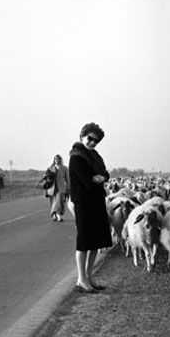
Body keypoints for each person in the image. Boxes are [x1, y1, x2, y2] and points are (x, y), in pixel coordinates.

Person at [68, 122, 113, 293]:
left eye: (96, 141)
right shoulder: (77, 157)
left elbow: (105, 174)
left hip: (96, 201)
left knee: (95, 241)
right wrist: (99, 178)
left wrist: (101, 177)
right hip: (84, 203)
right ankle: (81, 279)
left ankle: (89, 276)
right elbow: (87, 180)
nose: (92, 143)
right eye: (90, 138)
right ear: (82, 136)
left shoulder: (95, 156)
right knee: (84, 241)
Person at [44, 155, 70, 222]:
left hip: (60, 187)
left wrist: (68, 187)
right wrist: (47, 180)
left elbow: (67, 178)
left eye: (58, 159)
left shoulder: (64, 168)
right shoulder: (50, 168)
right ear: (54, 160)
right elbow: (45, 177)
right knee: (53, 202)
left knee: (59, 201)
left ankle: (58, 215)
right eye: (55, 159)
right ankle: (54, 215)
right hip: (52, 188)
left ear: (61, 160)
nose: (57, 160)